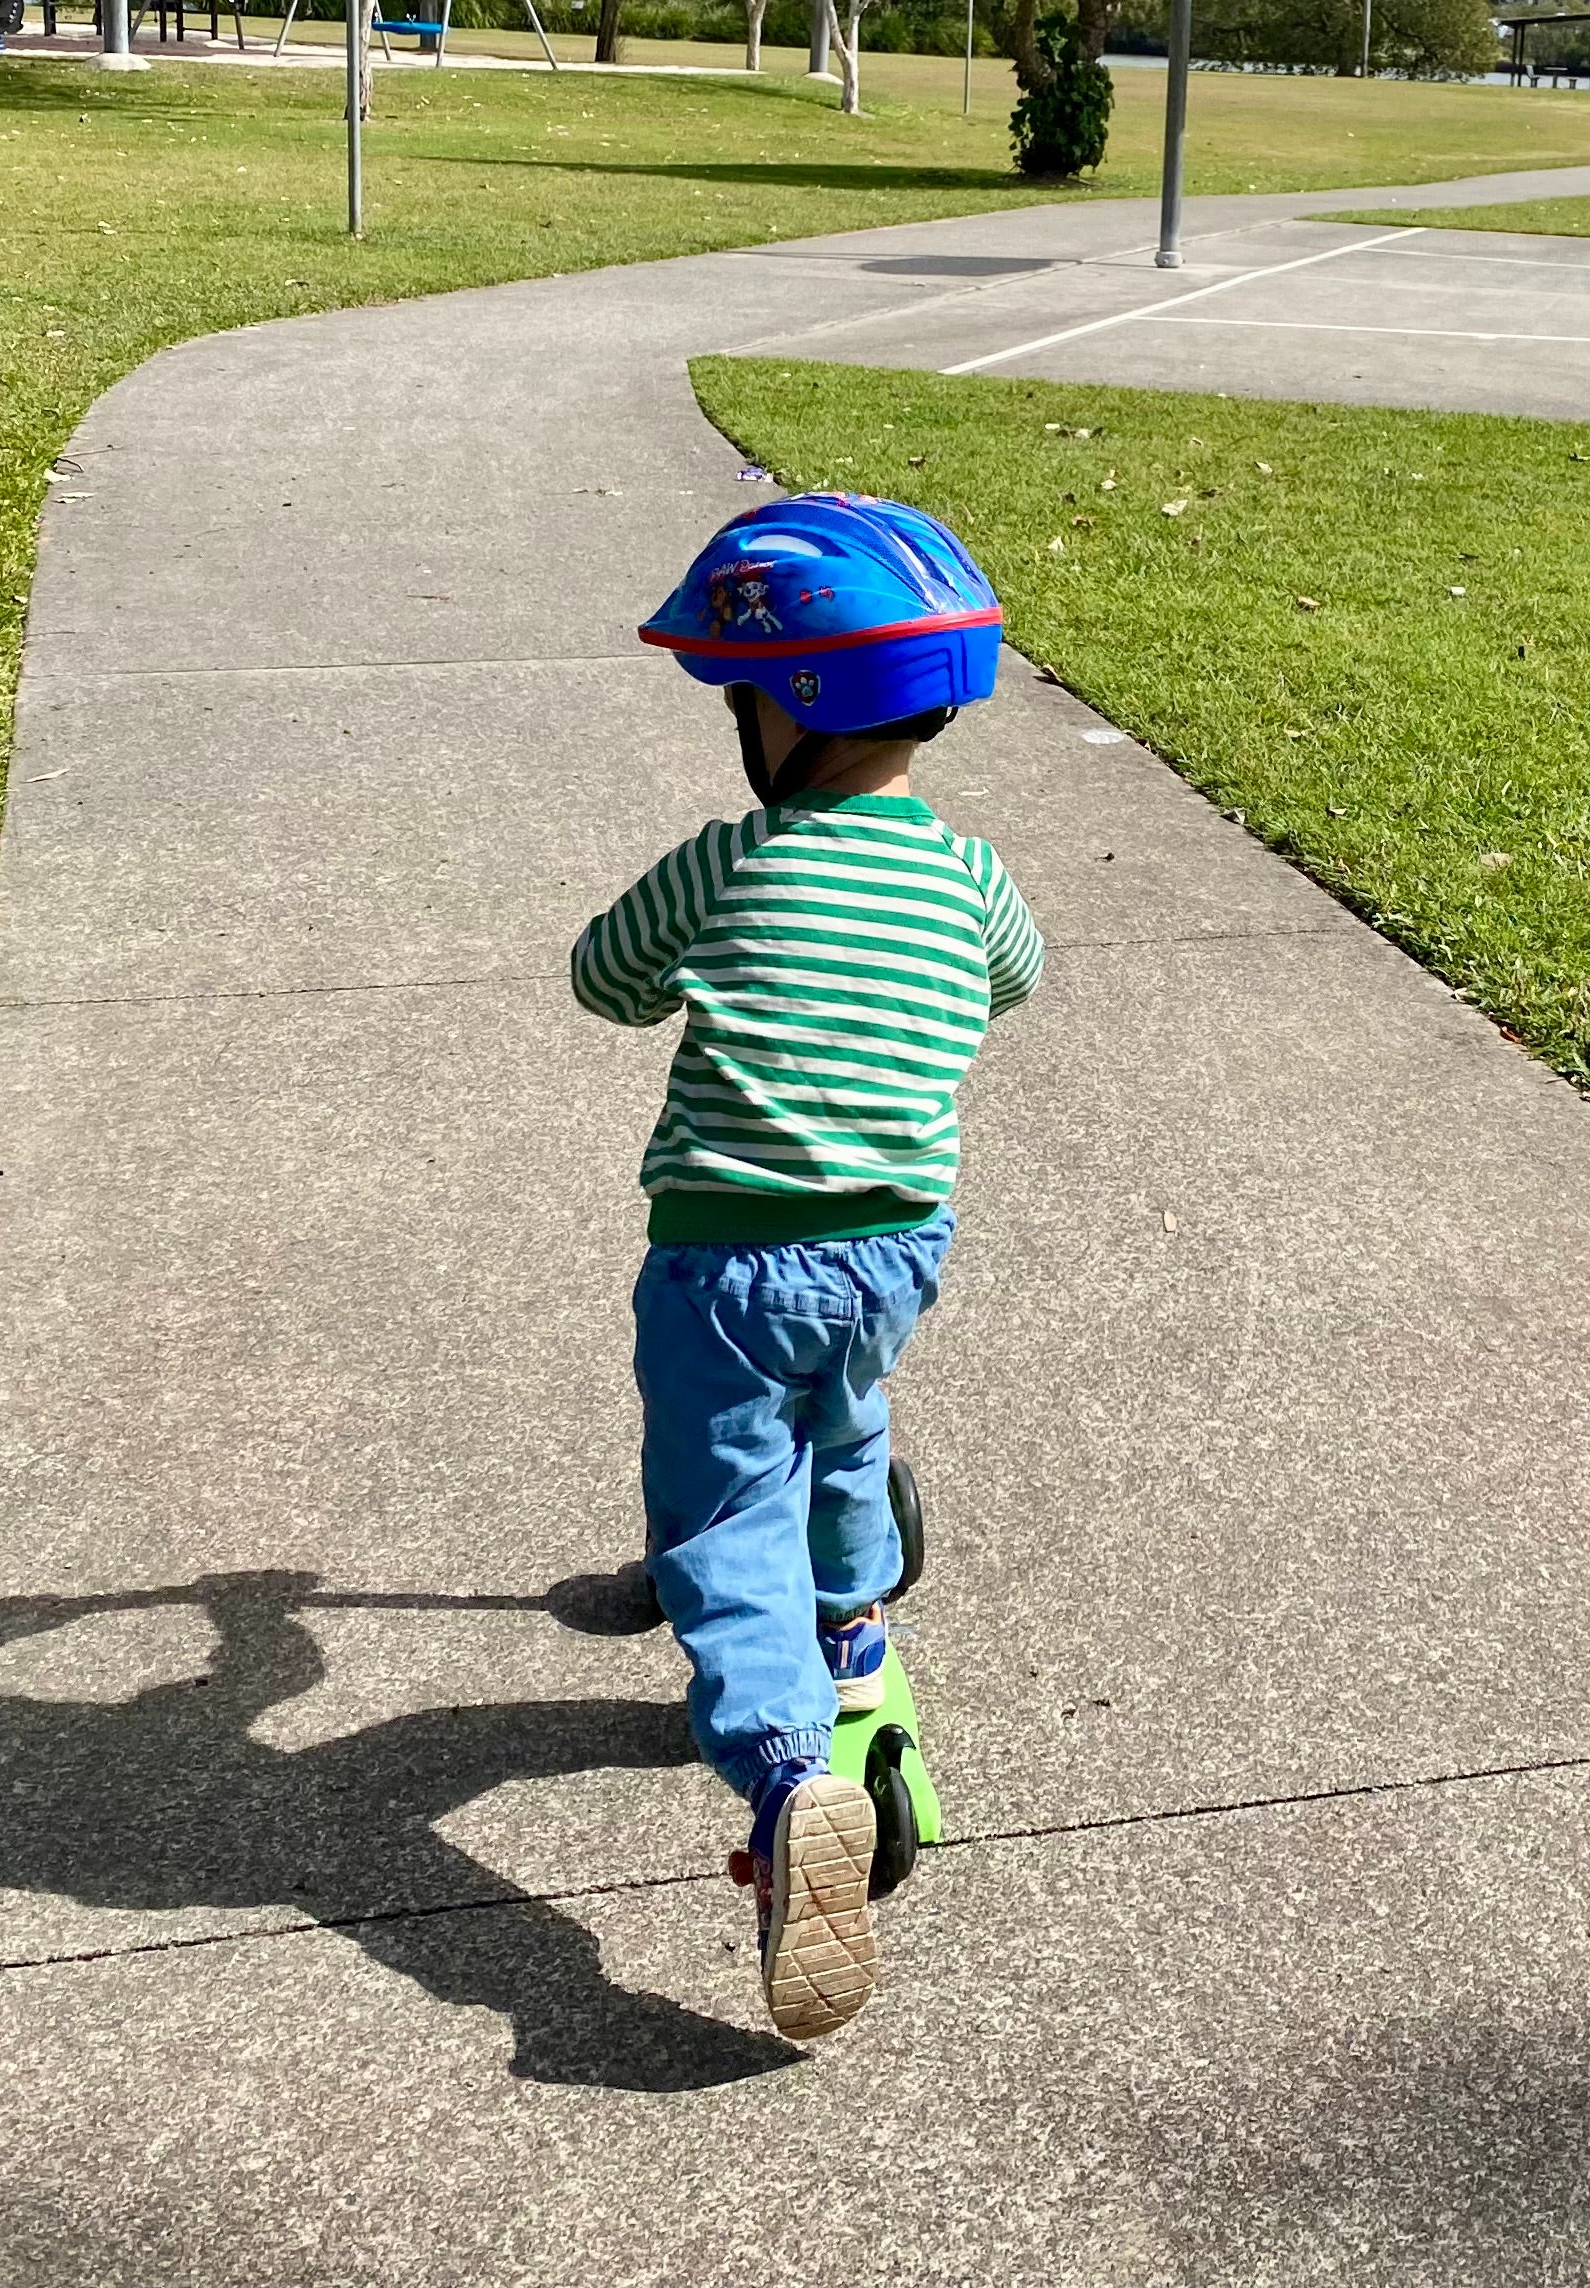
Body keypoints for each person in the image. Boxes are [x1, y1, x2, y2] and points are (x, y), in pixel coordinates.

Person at [569, 494, 1039, 2043]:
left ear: (788, 710)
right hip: (898, 1251)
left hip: (726, 1267)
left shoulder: (727, 866)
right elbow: (1016, 980)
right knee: (845, 1423)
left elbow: (602, 980)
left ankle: (787, 1783)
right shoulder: (969, 879)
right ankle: (853, 1634)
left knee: (723, 1514)